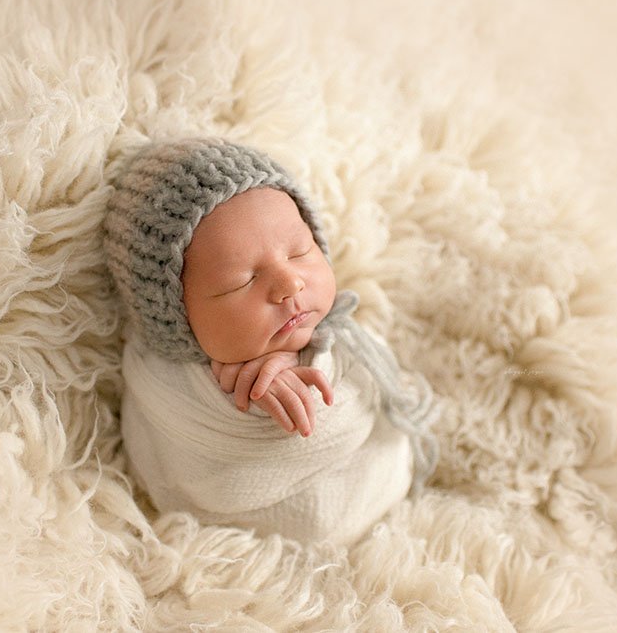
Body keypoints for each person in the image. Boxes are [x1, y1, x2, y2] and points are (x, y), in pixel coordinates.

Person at [103, 137, 440, 544]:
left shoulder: (342, 337)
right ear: (174, 316)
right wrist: (254, 392)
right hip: (259, 547)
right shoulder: (169, 389)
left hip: (393, 522)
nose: (289, 282)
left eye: (299, 251)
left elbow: (367, 384)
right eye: (241, 281)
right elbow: (195, 469)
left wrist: (301, 361)